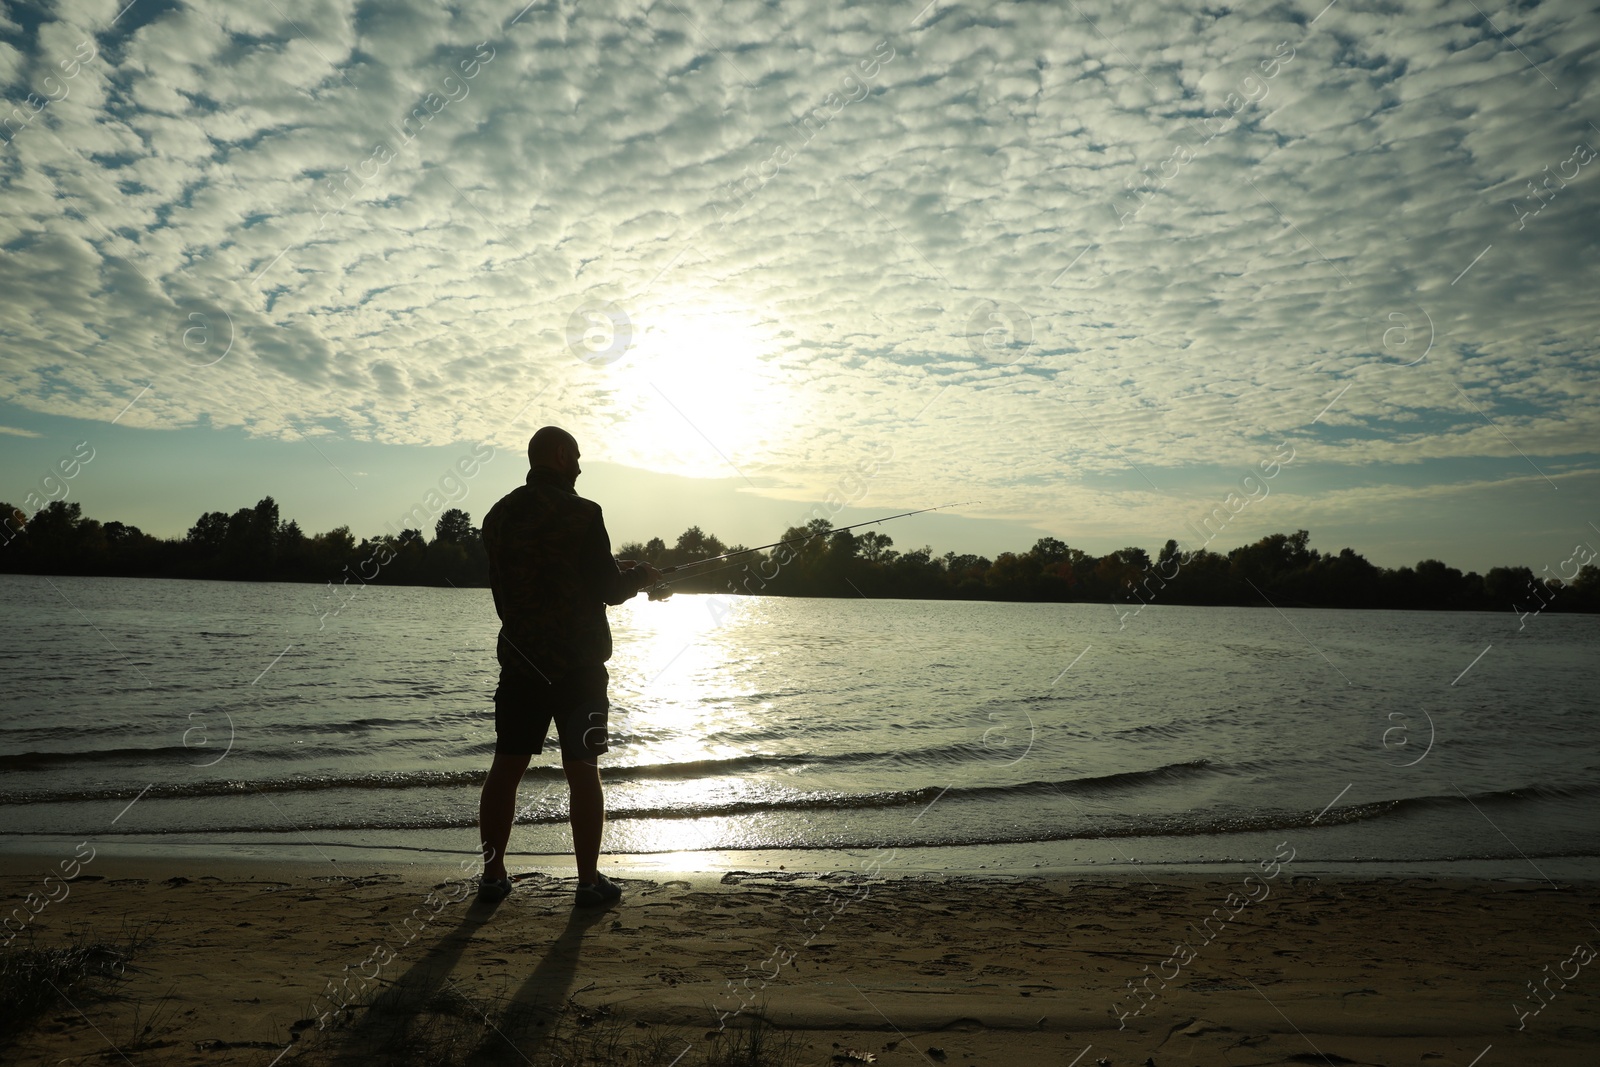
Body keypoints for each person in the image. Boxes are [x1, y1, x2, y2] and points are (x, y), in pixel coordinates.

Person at [476, 426, 660, 907]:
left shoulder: (497, 515)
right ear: (560, 456)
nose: (579, 466)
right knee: (583, 768)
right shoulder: (584, 513)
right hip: (578, 667)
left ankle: (493, 875)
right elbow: (609, 589)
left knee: (506, 767)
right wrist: (641, 577)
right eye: (575, 456)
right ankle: (587, 881)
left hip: (521, 664)